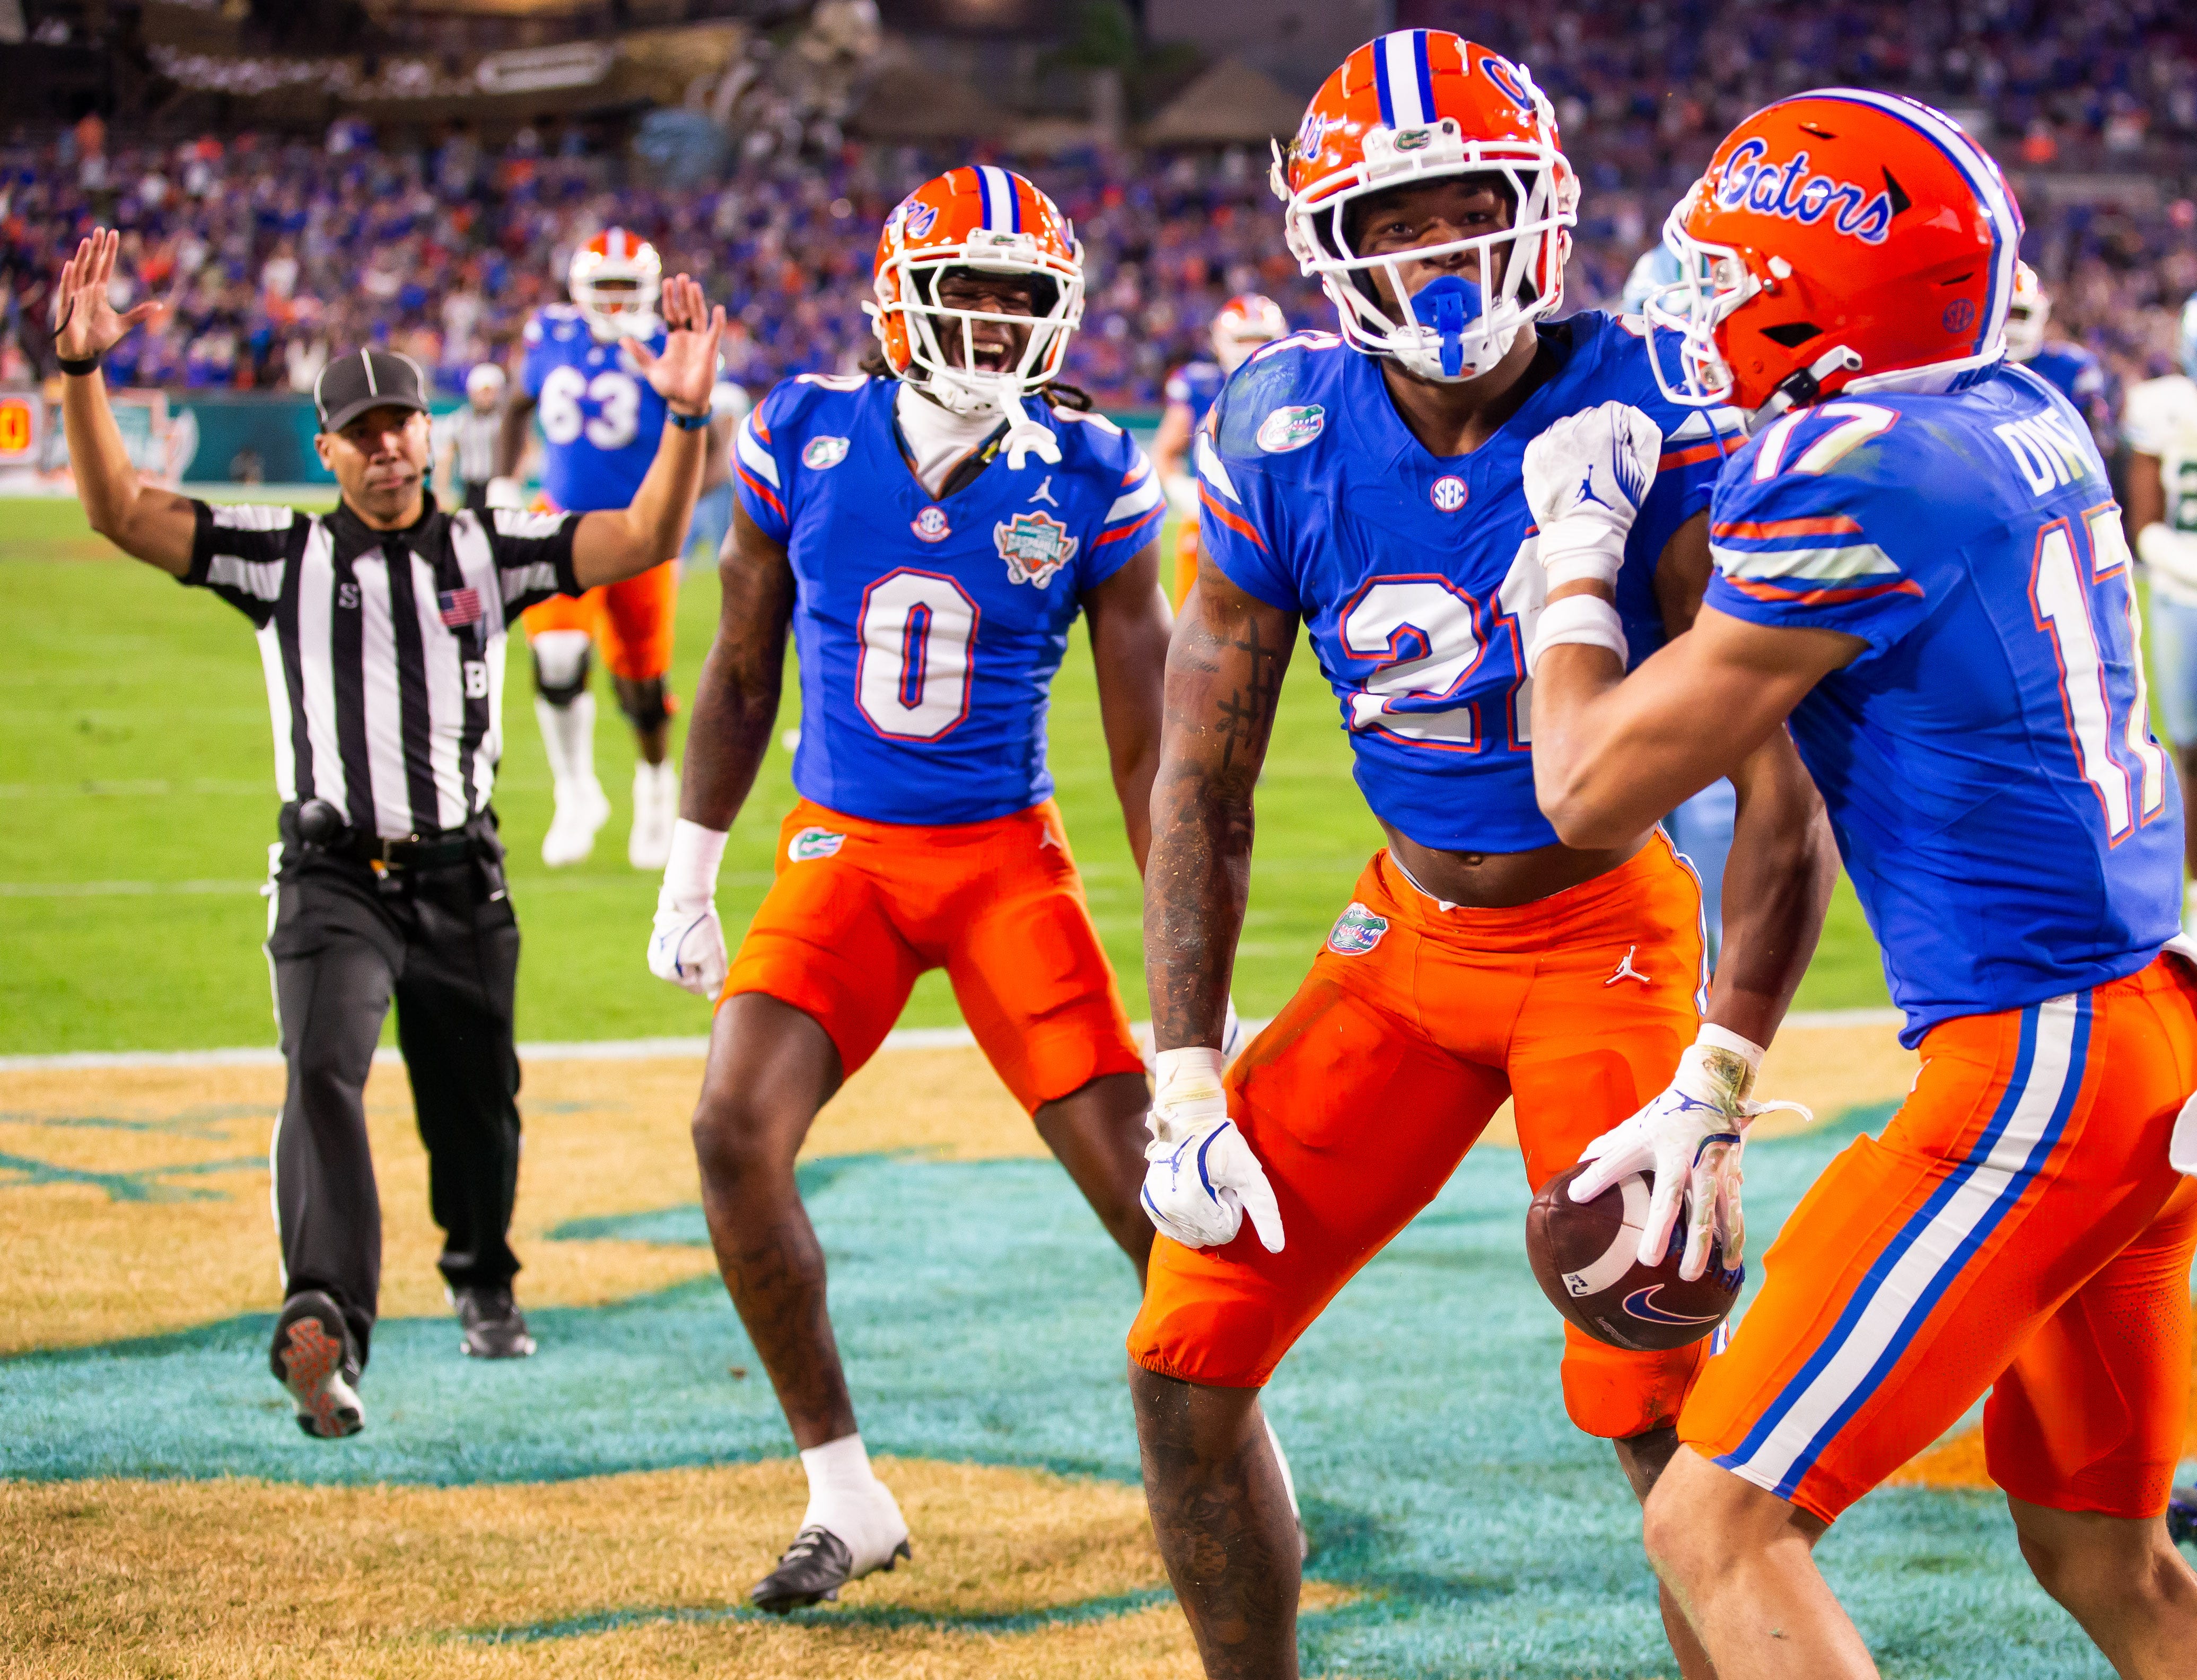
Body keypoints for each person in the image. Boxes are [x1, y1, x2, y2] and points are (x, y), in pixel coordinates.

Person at [1124, 33, 1832, 1680]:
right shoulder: (1280, 427)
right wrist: (1181, 1070)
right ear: (1332, 248)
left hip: (1603, 938)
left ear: (1542, 214)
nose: (1441, 251)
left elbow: (1780, 787)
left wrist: (1719, 1077)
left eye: (1470, 208)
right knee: (1180, 1362)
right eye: (1399, 221)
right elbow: (1199, 783)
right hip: (1404, 944)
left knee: (1659, 1409)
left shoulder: (1651, 401)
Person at [1533, 90, 2197, 1679]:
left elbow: (1586, 787)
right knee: (2107, 1562)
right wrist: (1719, 1064)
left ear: (1817, 299)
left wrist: (1572, 558)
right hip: (2151, 1023)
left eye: (1727, 276)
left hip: (2036, 1059)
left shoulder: (1850, 469)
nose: (1696, 307)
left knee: (1713, 1524)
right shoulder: (2020, 406)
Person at [645, 164, 1268, 1614]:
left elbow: (1149, 751)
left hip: (1002, 865)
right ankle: (843, 1493)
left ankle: (1248, 1460)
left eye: (1017, 296)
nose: (991, 321)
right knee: (732, 1129)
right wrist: (690, 869)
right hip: (841, 856)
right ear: (898, 299)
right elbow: (738, 670)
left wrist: (1194, 979)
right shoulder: (799, 433)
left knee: (1158, 1199)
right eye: (966, 290)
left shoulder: (1093, 467)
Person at [50, 226, 724, 1439]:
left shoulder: (488, 546)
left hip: (460, 869)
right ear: (326, 452)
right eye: (359, 431)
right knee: (321, 1073)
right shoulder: (282, 554)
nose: (385, 444)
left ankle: (481, 1275)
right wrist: (83, 373)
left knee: (477, 1101)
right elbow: (118, 509)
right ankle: (326, 1320)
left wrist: (684, 421)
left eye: (400, 422)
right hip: (331, 871)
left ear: (431, 434)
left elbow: (643, 539)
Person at [495, 228, 685, 871]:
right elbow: (516, 406)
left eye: (626, 287)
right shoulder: (551, 334)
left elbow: (708, 439)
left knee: (642, 688)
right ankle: (575, 791)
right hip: (561, 524)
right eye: (604, 286)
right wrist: (503, 485)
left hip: (639, 531)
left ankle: (655, 786)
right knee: (555, 657)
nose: (614, 300)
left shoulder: (669, 342)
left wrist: (676, 505)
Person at [2125, 295, 2197, 926]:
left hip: (2179, 585)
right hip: (2182, 591)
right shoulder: (2163, 405)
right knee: (2191, 751)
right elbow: (2144, 522)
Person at [1149, 293, 1286, 603]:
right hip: (1211, 517)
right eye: (1243, 339)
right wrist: (1184, 492)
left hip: (1275, 518)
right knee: (1197, 617)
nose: (1252, 349)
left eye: (1262, 339)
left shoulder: (1301, 387)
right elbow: (1166, 452)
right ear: (1221, 342)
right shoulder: (1200, 385)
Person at [2007, 259, 2120, 458]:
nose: (2012, 322)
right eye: (2007, 313)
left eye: (2020, 313)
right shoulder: (1969, 368)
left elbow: (2094, 444)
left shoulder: (2072, 367)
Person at [682, 375, 752, 573]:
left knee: (725, 554)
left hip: (723, 483)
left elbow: (722, 459)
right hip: (713, 480)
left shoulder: (725, 396)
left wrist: (694, 491)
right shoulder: (724, 394)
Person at [432, 362, 506, 512]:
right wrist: (442, 490)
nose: (486, 397)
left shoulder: (504, 421)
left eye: (490, 392)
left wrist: (515, 480)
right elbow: (446, 456)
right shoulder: (461, 421)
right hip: (471, 488)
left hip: (499, 486)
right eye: (483, 392)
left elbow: (526, 449)